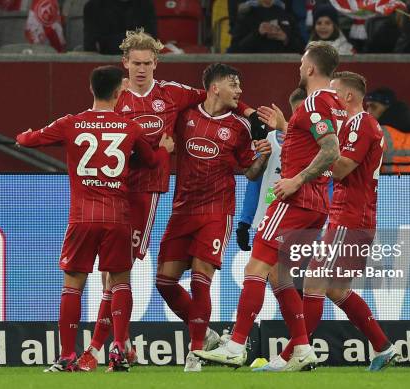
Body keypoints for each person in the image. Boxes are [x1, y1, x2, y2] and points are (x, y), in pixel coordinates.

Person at [75, 29, 256, 371]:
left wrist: (248, 112)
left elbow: (214, 92)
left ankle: (102, 349)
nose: (141, 69)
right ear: (124, 63)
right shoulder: (116, 97)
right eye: (135, 63)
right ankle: (122, 345)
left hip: (144, 195)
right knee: (110, 276)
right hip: (108, 192)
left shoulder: (172, 94)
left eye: (147, 63)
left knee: (117, 274)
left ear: (156, 63)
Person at [194, 41, 346, 371]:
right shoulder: (333, 103)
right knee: (280, 275)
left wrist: (296, 180)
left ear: (310, 68)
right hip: (316, 203)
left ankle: (235, 346)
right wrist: (285, 128)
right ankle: (303, 349)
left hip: (295, 200)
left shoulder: (315, 101)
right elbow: (316, 142)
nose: (298, 66)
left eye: (301, 60)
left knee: (255, 269)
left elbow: (331, 148)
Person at [15, 65, 174, 372]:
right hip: (117, 217)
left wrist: (19, 136)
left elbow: (30, 139)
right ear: (119, 92)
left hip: (82, 217)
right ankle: (117, 350)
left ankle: (66, 357)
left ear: (92, 90)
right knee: (119, 283)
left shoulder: (70, 123)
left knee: (72, 285)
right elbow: (153, 162)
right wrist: (166, 149)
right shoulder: (130, 128)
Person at [265, 71, 397, 372]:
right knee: (336, 288)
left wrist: (313, 148)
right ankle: (383, 347)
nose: (330, 97)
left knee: (315, 280)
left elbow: (341, 169)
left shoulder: (360, 124)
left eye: (334, 92)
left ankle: (292, 356)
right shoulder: (356, 125)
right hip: (354, 215)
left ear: (348, 97)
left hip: (350, 216)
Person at [158, 63, 272, 372]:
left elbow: (249, 172)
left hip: (216, 211)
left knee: (200, 279)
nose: (239, 91)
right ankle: (206, 335)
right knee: (164, 282)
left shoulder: (239, 126)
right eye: (234, 84)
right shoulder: (186, 115)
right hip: (181, 209)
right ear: (215, 87)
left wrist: (262, 157)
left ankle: (195, 351)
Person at [236, 88, 306, 251]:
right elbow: (255, 184)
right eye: (299, 111)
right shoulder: (269, 140)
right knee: (264, 270)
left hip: (303, 221)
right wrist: (244, 222)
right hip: (269, 217)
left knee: (292, 272)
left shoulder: (323, 147)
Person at [364, 87, 410, 173]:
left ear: (388, 108)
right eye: (367, 107)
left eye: (374, 107)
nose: (368, 112)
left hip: (386, 186)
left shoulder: (376, 135)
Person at [229, 0, 305, 53]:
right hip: (255, 69)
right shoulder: (246, 16)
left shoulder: (287, 15)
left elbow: (302, 49)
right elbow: (235, 51)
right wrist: (258, 33)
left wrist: (286, 39)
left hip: (282, 68)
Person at [83, 0, 157, 54]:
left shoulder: (145, 5)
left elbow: (150, 39)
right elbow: (90, 46)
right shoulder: (93, 6)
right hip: (105, 63)